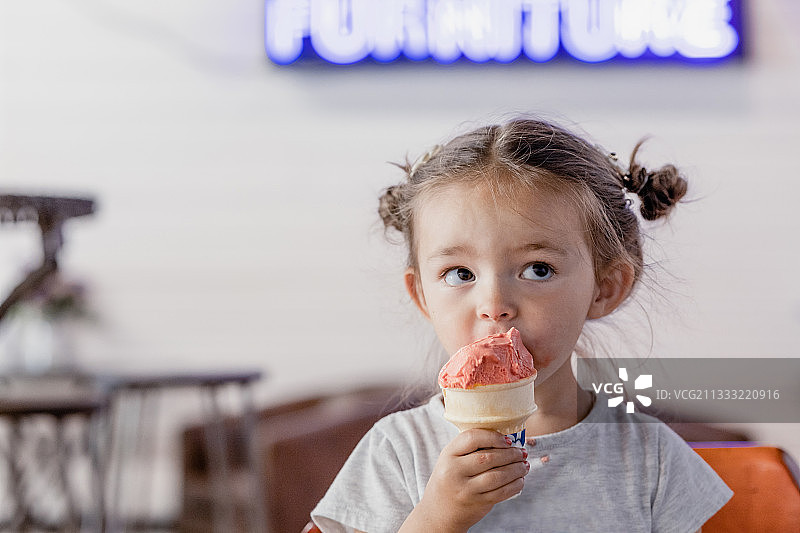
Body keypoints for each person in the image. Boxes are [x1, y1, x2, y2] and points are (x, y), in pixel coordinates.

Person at [310, 118, 732, 532]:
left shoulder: (650, 458)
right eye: (460, 274)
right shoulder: (399, 452)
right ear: (422, 295)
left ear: (605, 288)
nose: (494, 305)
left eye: (537, 269)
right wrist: (437, 519)